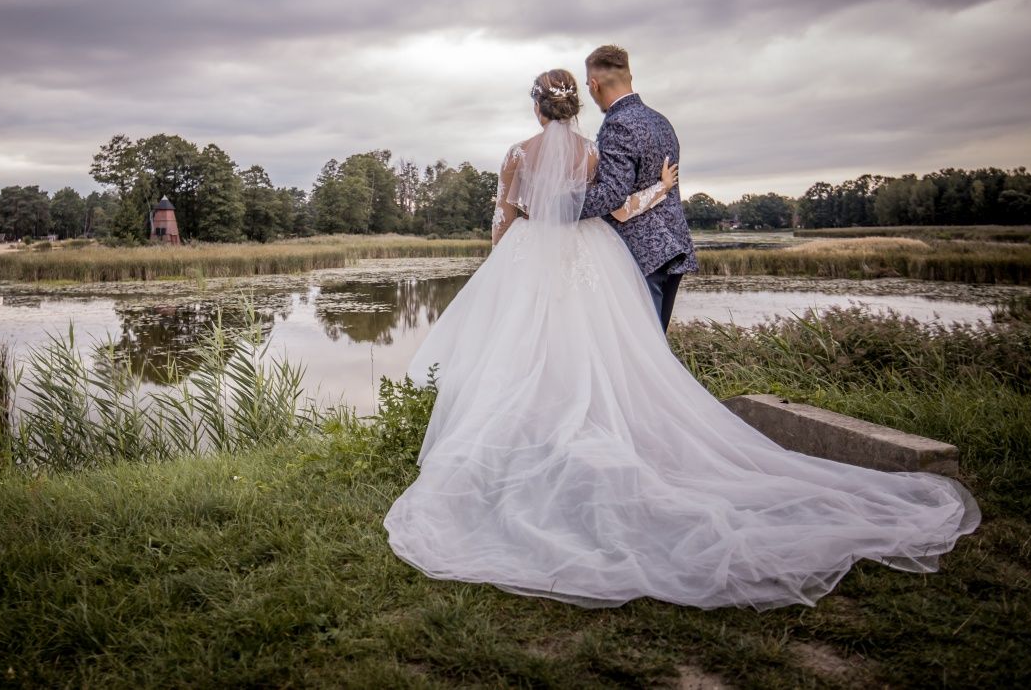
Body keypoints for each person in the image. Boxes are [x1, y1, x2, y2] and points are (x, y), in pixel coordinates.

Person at [382, 64, 979, 611]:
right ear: (574, 108)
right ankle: (587, 435)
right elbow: (610, 211)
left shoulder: (516, 153)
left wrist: (504, 265)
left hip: (530, 258)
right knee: (598, 356)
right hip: (589, 261)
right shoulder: (592, 153)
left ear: (537, 108)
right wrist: (659, 190)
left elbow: (503, 218)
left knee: (522, 354)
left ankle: (524, 448)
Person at [580, 44, 697, 331]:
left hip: (642, 255)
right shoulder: (661, 121)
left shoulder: (617, 125)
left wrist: (556, 204)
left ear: (594, 85)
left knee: (645, 358)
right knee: (655, 351)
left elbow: (610, 194)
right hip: (673, 247)